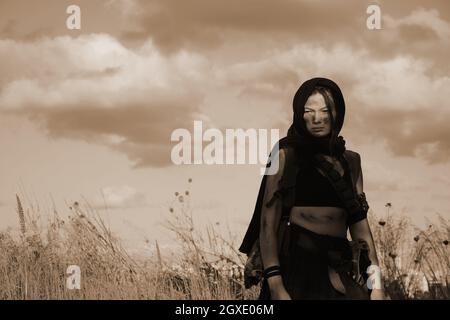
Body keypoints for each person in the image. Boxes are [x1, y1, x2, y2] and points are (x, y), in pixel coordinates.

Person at [239, 77, 385, 300]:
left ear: (338, 113)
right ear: (299, 113)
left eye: (326, 110)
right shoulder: (284, 155)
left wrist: (376, 285)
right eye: (309, 111)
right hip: (297, 267)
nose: (317, 119)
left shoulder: (351, 162)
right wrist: (276, 284)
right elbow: (267, 223)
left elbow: (361, 229)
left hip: (340, 266)